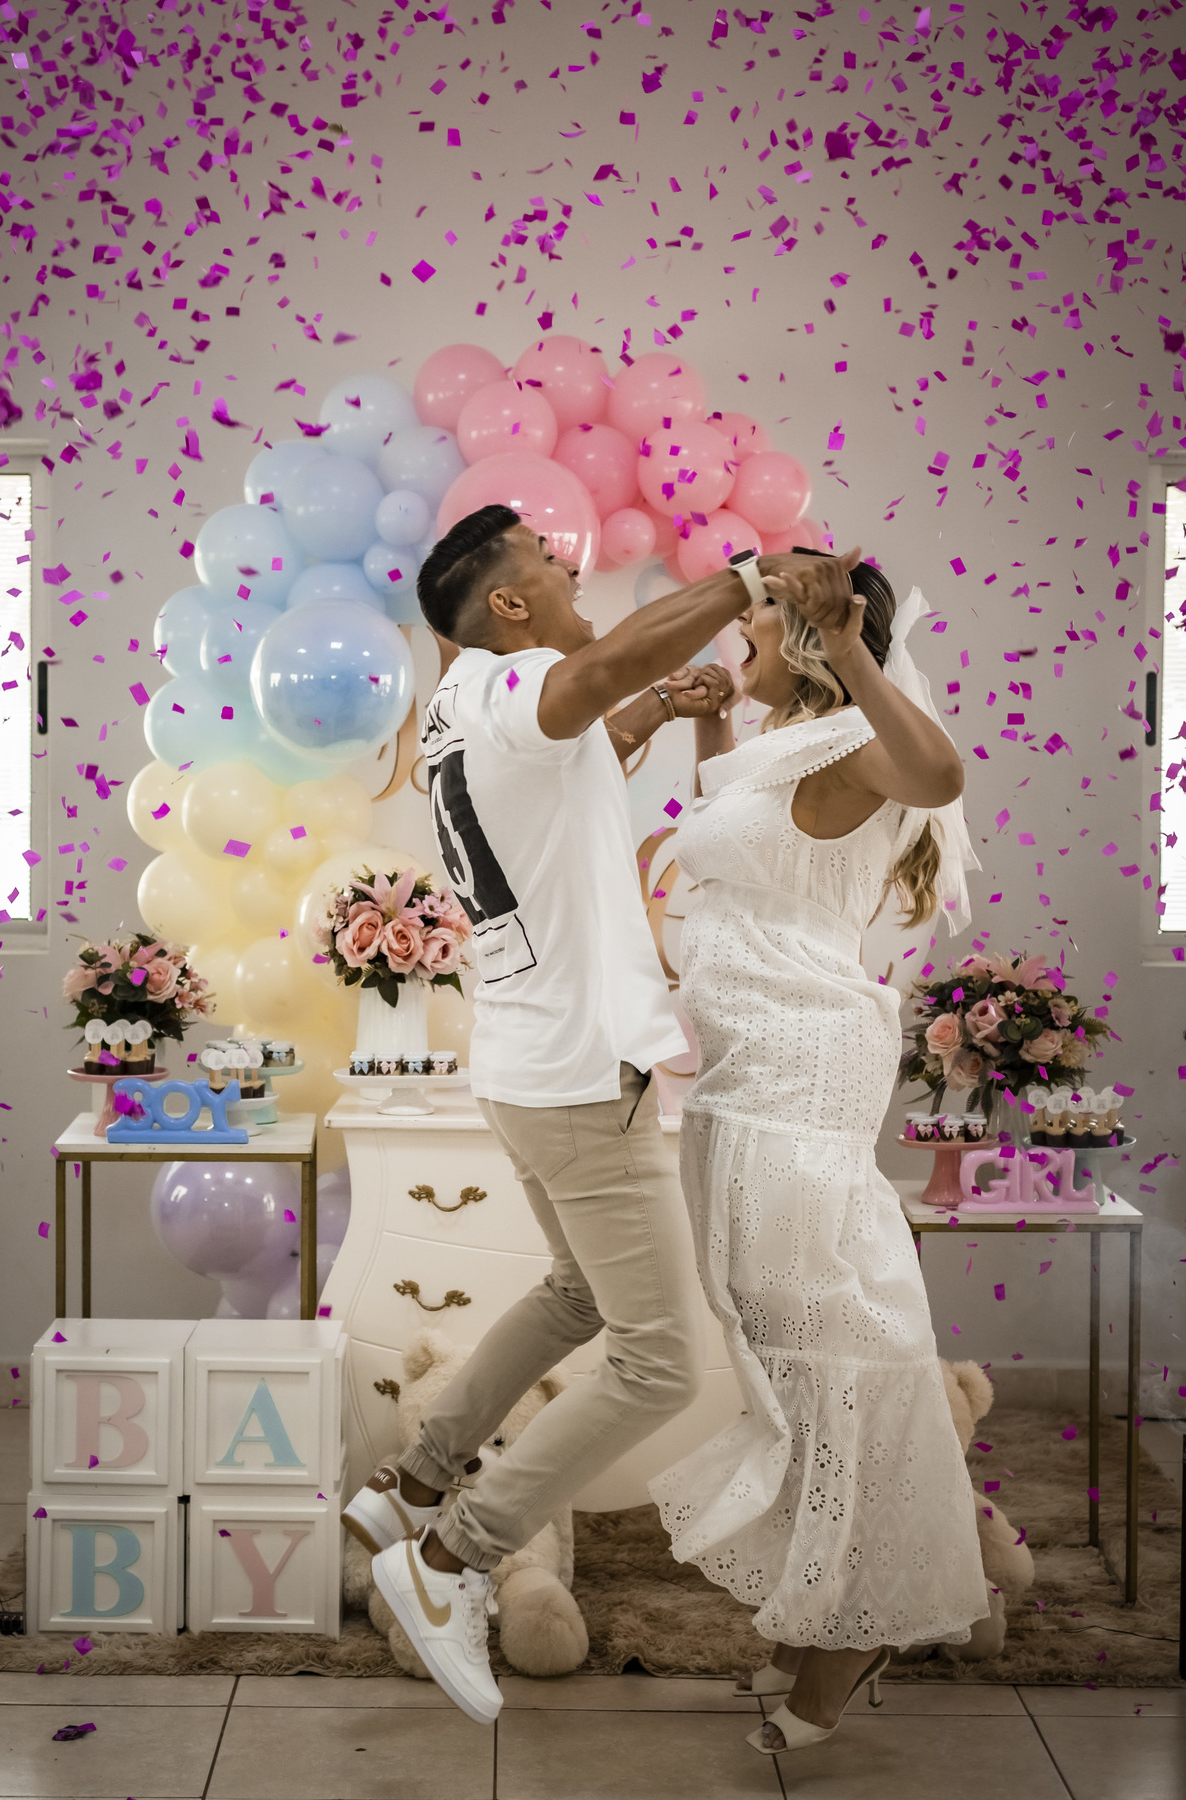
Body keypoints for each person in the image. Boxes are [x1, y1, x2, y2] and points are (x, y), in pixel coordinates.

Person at [341, 504, 823, 1725]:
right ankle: (451, 1555)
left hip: (522, 1067)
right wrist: (744, 579)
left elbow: (557, 769)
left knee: (573, 1295)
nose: (574, 578)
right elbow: (588, 680)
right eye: (554, 568)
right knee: (659, 1361)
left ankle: (413, 1479)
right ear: (508, 606)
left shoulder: (458, 706)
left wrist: (654, 711)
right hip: (572, 1077)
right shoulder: (518, 682)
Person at [647, 549, 991, 1757]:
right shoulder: (779, 746)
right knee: (769, 1329)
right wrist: (705, 731)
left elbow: (941, 774)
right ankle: (828, 1593)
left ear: (809, 638)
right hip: (743, 1068)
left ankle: (864, 1619)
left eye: (752, 623)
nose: (732, 634)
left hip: (803, 1068)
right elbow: (745, 862)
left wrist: (846, 651)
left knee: (833, 1332)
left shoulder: (856, 738)